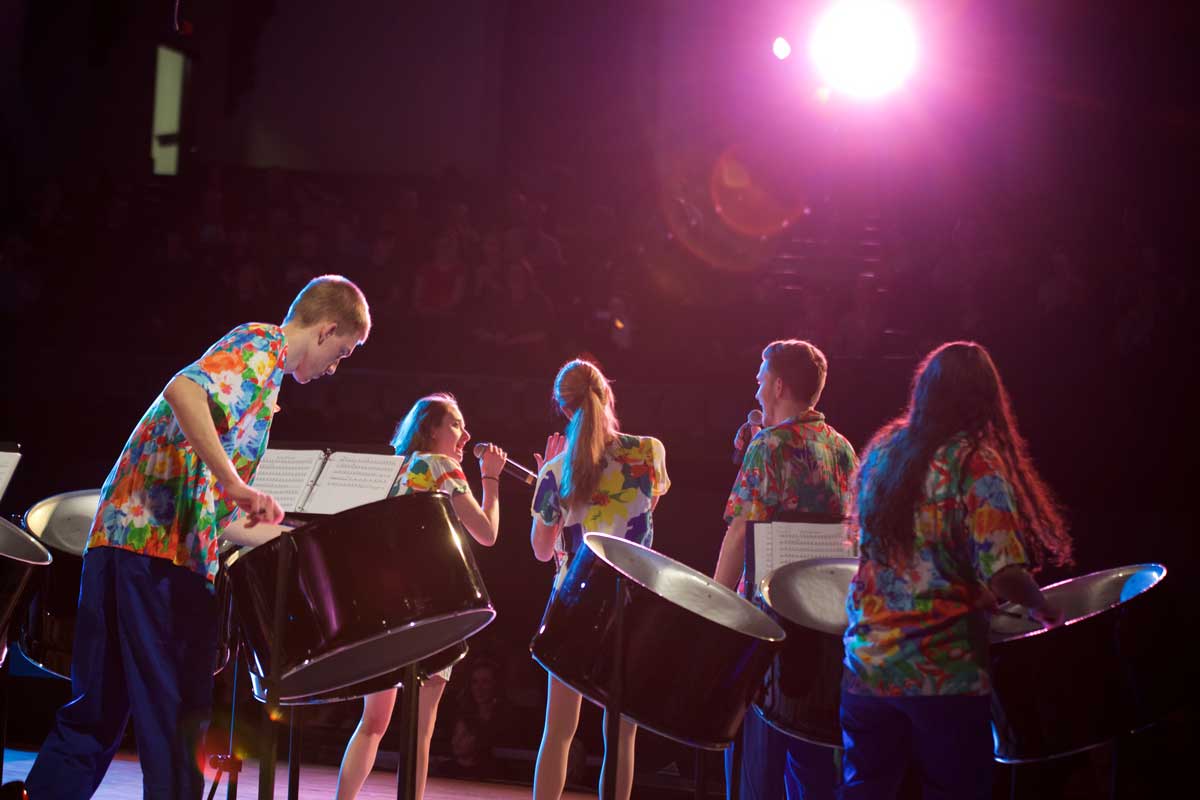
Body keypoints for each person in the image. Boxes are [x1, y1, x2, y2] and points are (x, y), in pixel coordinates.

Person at [22, 275, 371, 800]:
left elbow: (215, 512)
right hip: (160, 557)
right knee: (177, 720)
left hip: (124, 543)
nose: (334, 367)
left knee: (95, 714)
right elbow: (182, 389)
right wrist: (235, 481)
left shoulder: (263, 378)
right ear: (326, 330)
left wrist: (295, 537)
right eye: (342, 352)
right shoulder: (260, 346)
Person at [840, 341, 1071, 799]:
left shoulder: (886, 451)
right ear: (984, 399)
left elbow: (879, 553)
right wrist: (1042, 607)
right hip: (942, 673)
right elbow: (1004, 570)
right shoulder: (972, 459)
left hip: (867, 667)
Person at [335, 393, 506, 800]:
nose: (465, 434)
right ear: (431, 429)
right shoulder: (442, 466)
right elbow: (487, 533)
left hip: (383, 605)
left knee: (373, 723)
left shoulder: (393, 469)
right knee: (421, 730)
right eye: (455, 425)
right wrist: (492, 479)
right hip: (430, 608)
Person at [714, 339, 857, 800]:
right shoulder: (842, 449)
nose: (756, 391)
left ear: (778, 385)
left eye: (760, 380)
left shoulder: (769, 446)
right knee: (813, 751)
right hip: (825, 621)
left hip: (768, 618)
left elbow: (740, 532)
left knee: (758, 754)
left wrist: (713, 603)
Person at [530, 359, 670, 800]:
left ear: (562, 407)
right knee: (621, 735)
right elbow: (645, 521)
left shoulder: (556, 469)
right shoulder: (649, 451)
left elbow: (540, 549)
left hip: (574, 599)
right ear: (607, 394)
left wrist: (547, 478)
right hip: (632, 602)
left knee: (558, 732)